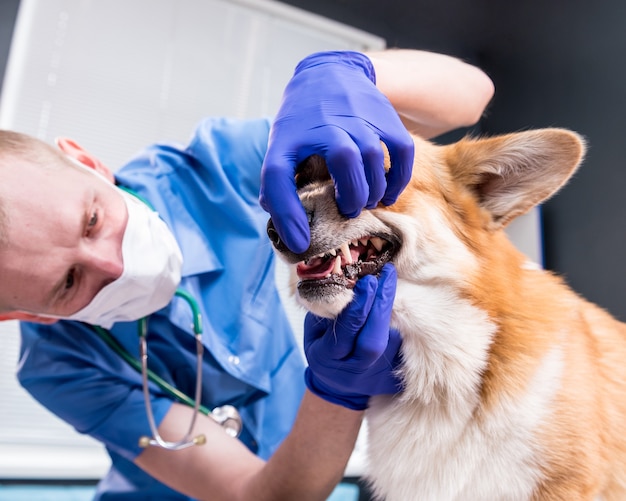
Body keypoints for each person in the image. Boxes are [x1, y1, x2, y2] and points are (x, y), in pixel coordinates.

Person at [0, 49, 494, 500]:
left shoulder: (223, 167)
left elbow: (470, 95)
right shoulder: (59, 365)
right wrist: (336, 391)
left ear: (87, 163)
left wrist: (344, 72)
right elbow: (258, 495)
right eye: (68, 284)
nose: (114, 264)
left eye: (93, 221)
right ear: (26, 313)